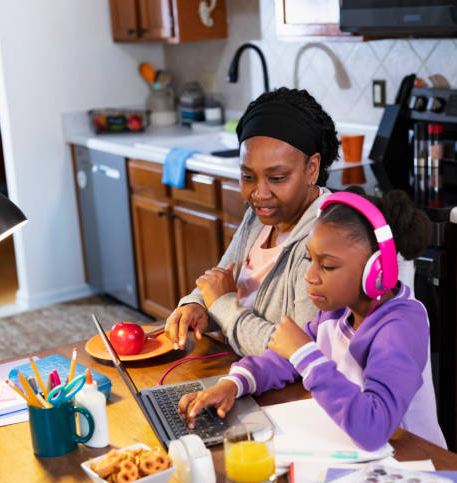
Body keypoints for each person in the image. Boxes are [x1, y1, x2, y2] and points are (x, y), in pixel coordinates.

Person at [178, 188, 446, 451]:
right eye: (310, 259)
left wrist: (304, 353)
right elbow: (283, 360)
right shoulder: (337, 311)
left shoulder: (400, 327)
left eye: (327, 266)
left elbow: (374, 427)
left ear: (375, 271)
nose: (310, 275)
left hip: (410, 462)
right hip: (350, 450)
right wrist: (232, 384)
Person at [165, 87, 340, 356]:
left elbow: (301, 355)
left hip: (286, 394)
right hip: (240, 377)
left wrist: (221, 304)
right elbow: (221, 281)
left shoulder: (326, 241)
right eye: (248, 176)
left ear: (312, 169)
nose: (259, 194)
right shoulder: (259, 218)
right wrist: (195, 306)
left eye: (278, 177)